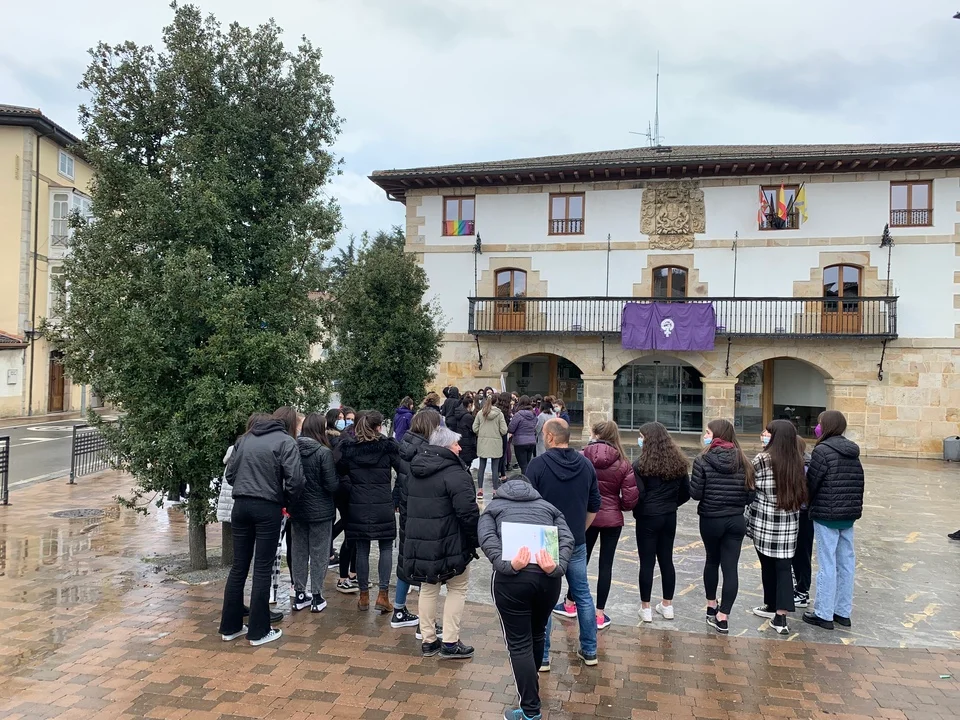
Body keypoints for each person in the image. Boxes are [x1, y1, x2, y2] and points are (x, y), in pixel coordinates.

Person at [479, 475, 575, 720]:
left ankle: (530, 710)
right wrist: (557, 567)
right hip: (547, 580)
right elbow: (568, 538)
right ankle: (531, 693)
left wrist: (506, 564)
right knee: (537, 633)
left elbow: (486, 538)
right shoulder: (548, 507)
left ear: (504, 488)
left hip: (511, 581)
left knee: (519, 643)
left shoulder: (493, 507)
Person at [219, 409, 304, 646]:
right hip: (267, 507)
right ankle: (258, 631)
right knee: (262, 567)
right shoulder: (285, 441)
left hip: (240, 506)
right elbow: (296, 480)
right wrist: (286, 502)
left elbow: (230, 475)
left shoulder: (244, 439)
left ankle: (230, 627)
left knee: (239, 566)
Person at [526, 418, 601, 668]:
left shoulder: (537, 465)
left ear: (550, 437)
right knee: (582, 594)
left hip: (546, 539)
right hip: (576, 539)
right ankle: (589, 650)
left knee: (543, 597)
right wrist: (579, 530)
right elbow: (594, 505)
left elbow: (527, 505)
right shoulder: (586, 465)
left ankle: (543, 656)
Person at [405, 426, 480, 660]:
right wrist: (476, 539)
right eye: (456, 444)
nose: (460, 448)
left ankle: (428, 640)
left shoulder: (415, 469)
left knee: (428, 587)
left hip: (421, 540)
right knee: (457, 587)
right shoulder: (455, 473)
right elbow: (468, 512)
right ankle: (450, 641)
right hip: (452, 541)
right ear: (446, 446)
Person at [558, 420, 638, 630]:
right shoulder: (623, 462)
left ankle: (570, 603)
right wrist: (616, 505)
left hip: (587, 516)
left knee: (580, 560)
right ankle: (600, 614)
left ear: (595, 434)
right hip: (612, 520)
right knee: (606, 565)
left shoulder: (581, 456)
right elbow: (630, 499)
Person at [689, 418, 755, 635]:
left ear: (716, 435)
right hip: (735, 520)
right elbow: (751, 495)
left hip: (711, 519)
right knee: (730, 568)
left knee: (712, 560)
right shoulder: (744, 460)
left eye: (708, 432)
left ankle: (711, 606)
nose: (705, 436)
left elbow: (695, 493)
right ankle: (723, 616)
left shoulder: (702, 460)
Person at [803, 410, 865, 630]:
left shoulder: (822, 450)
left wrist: (807, 502)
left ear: (827, 426)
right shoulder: (852, 451)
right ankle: (842, 611)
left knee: (827, 563)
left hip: (826, 514)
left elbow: (812, 482)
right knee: (846, 563)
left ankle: (824, 613)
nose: (817, 427)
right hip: (848, 514)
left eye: (820, 423)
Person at [336, 411, 401, 612]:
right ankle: (383, 595)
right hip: (383, 503)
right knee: (386, 548)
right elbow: (403, 470)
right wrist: (396, 495)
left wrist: (351, 489)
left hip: (358, 504)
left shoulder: (350, 450)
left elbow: (339, 471)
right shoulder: (388, 448)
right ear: (378, 427)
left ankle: (363, 596)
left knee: (362, 549)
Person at [747, 420, 807, 635]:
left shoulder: (762, 459)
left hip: (765, 521)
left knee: (767, 565)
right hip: (789, 523)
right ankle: (780, 615)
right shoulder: (797, 460)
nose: (764, 435)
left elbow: (751, 485)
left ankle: (772, 604)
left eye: (768, 432)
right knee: (783, 568)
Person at [633, 421, 690, 624]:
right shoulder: (678, 463)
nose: (639, 440)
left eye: (641, 437)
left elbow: (639, 495)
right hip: (669, 516)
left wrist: (641, 511)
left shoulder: (640, 465)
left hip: (648, 517)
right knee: (667, 560)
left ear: (648, 440)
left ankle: (646, 608)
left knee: (646, 562)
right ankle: (667, 605)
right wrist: (671, 504)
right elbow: (686, 492)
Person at [391, 409, 443, 633]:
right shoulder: (426, 451)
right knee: (425, 565)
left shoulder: (405, 445)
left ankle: (399, 609)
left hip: (407, 510)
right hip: (424, 512)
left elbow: (400, 479)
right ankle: (425, 623)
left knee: (406, 558)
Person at [288, 413, 338, 613]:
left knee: (298, 551)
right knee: (319, 553)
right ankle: (317, 596)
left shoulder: (292, 449)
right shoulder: (324, 453)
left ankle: (299, 594)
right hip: (321, 511)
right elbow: (331, 485)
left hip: (297, 509)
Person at [472, 392, 508, 499]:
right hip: (496, 443)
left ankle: (480, 490)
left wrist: (481, 433)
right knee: (495, 468)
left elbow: (474, 428)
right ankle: (495, 490)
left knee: (481, 467)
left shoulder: (480, 413)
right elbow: (504, 430)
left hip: (483, 442)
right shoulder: (499, 414)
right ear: (496, 402)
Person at [792, 436, 814, 609]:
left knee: (802, 553)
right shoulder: (802, 462)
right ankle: (799, 586)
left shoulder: (804, 465)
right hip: (800, 512)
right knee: (796, 553)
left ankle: (802, 591)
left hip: (803, 514)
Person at [508, 396, 538, 475]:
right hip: (531, 441)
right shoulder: (534, 414)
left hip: (520, 442)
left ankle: (525, 480)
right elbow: (535, 425)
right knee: (527, 463)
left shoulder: (518, 415)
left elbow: (511, 428)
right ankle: (529, 478)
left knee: (523, 466)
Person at [455, 395, 478, 469]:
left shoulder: (459, 413)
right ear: (470, 405)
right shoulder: (468, 416)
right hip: (468, 443)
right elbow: (474, 429)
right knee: (467, 464)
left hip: (461, 441)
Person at [497, 392, 514, 482]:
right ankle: (500, 473)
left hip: (500, 433)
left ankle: (501, 473)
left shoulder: (500, 409)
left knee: (501, 454)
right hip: (503, 433)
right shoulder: (504, 411)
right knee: (502, 454)